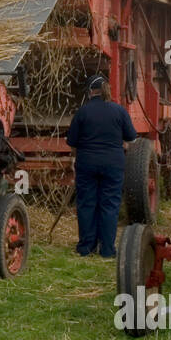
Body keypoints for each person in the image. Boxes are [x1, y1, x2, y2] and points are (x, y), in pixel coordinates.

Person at [66, 74, 137, 258]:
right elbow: (131, 136)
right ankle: (107, 249)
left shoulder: (83, 112)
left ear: (91, 91)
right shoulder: (119, 111)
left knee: (87, 204)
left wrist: (76, 157)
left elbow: (71, 141)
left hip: (87, 164)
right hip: (113, 164)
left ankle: (85, 247)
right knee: (110, 205)